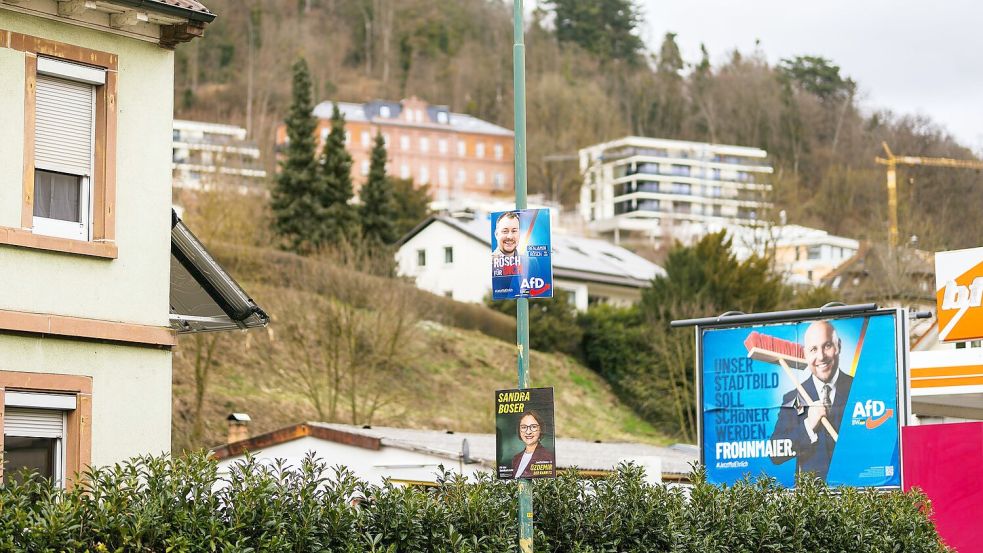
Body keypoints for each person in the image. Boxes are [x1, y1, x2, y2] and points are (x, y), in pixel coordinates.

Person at [770, 320, 853, 480]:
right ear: (805, 354)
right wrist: (808, 426)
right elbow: (775, 453)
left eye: (827, 345)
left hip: (854, 489)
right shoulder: (792, 398)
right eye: (813, 349)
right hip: (813, 498)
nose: (821, 356)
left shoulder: (858, 389)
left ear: (839, 346)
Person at [510, 411, 555, 479]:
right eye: (524, 427)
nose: (528, 432)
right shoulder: (516, 458)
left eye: (533, 427)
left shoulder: (548, 457)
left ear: (541, 429)